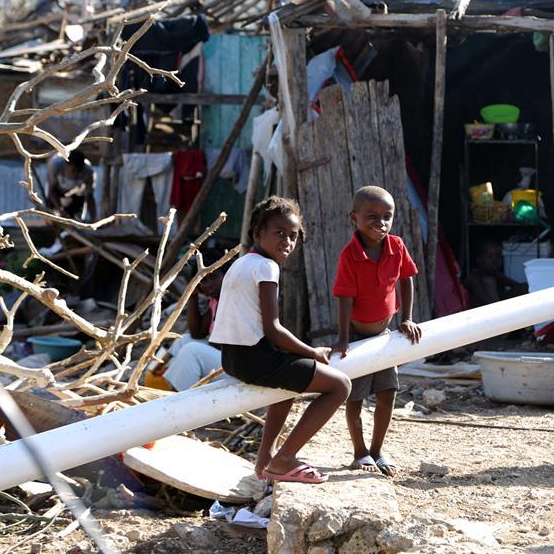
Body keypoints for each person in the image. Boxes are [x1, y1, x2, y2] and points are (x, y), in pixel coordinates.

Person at [210, 196, 351, 484]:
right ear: (257, 232)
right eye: (279, 233)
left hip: (233, 358)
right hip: (255, 359)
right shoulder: (266, 267)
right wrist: (312, 352)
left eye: (293, 236)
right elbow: (273, 329)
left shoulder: (242, 264)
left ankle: (265, 460)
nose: (287, 241)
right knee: (340, 386)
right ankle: (284, 460)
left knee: (287, 384)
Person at [331, 185, 422, 477]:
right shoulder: (350, 255)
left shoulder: (396, 246)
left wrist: (406, 319)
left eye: (387, 217)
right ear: (353, 217)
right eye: (371, 216)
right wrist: (344, 339)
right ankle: (359, 453)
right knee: (355, 397)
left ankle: (377, 449)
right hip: (357, 337)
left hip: (384, 336)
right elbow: (344, 298)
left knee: (387, 393)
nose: (380, 224)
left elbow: (407, 279)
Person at [148, 258, 226, 391]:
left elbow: (221, 343)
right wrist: (193, 295)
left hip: (234, 363)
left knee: (191, 350)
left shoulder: (231, 299)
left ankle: (174, 394)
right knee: (183, 340)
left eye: (214, 277)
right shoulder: (215, 300)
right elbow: (197, 333)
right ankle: (151, 373)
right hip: (220, 355)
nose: (208, 285)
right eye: (203, 281)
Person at [465, 239, 528, 308]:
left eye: (498, 257)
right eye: (489, 256)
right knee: (488, 281)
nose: (495, 260)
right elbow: (490, 303)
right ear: (479, 259)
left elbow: (518, 286)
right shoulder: (473, 278)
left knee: (525, 287)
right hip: (482, 313)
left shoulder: (494, 274)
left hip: (496, 307)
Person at [46, 151, 96, 221]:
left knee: (76, 219)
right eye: (73, 170)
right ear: (67, 164)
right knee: (53, 215)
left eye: (79, 171)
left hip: (76, 193)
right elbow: (51, 190)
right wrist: (60, 210)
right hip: (57, 191)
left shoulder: (88, 171)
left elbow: (89, 196)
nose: (75, 174)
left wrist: (93, 219)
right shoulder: (55, 165)